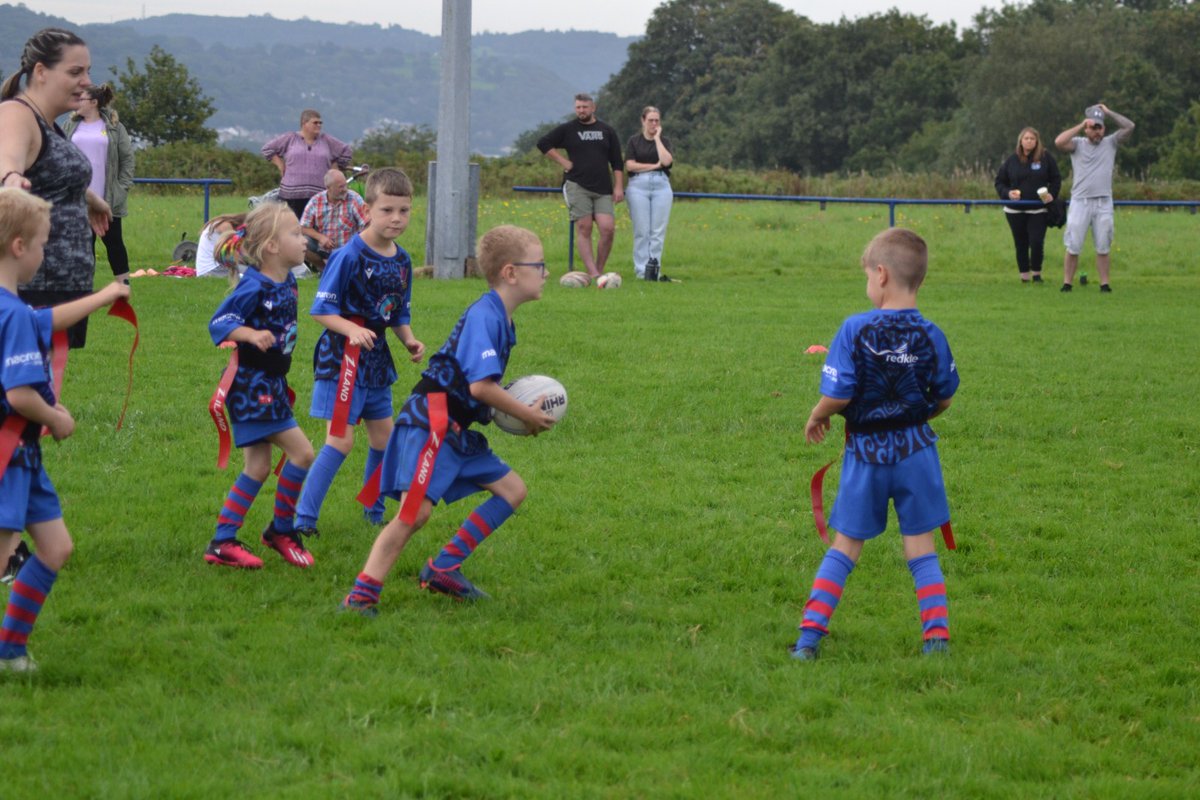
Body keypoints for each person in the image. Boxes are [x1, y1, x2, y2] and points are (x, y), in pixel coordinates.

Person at [341, 224, 557, 614]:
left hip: (456, 429)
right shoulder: (485, 316)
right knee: (415, 513)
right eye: (539, 265)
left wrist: (516, 412)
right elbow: (480, 388)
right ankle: (361, 594)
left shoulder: (503, 319)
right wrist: (526, 414)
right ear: (511, 272)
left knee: (512, 490)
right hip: (432, 422)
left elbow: (479, 388)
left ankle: (443, 568)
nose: (547, 272)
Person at [791, 228, 959, 661]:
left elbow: (840, 392)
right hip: (917, 452)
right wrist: (917, 418)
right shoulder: (932, 334)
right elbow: (944, 396)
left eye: (867, 276)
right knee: (921, 548)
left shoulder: (854, 329)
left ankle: (809, 638)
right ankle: (936, 640)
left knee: (845, 546)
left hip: (866, 455)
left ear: (881, 275)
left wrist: (819, 413)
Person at [0, 187, 130, 672]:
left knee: (56, 548)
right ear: (19, 247)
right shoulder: (10, 312)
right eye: (42, 245)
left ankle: (10, 651)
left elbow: (44, 321)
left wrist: (104, 296)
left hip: (24, 458)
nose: (43, 254)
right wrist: (58, 418)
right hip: (8, 453)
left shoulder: (12, 307)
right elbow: (19, 395)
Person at [294, 168, 425, 535]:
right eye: (387, 210)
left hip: (377, 362)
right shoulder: (348, 255)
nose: (396, 218)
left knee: (385, 439)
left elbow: (397, 311)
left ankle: (373, 511)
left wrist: (409, 339)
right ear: (366, 209)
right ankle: (304, 519)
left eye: (404, 210)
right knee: (340, 440)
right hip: (342, 361)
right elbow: (321, 310)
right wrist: (352, 329)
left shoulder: (403, 261)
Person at [203, 202, 316, 569]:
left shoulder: (288, 279)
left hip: (271, 384)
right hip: (254, 387)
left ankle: (223, 541)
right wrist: (250, 333)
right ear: (271, 246)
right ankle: (281, 530)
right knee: (302, 453)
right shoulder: (254, 284)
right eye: (296, 234)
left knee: (258, 468)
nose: (303, 239)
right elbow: (220, 323)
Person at [0, 27, 114, 349]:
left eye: (88, 71)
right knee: (27, 392)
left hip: (60, 285)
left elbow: (48, 176)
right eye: (75, 72)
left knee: (44, 389)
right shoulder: (16, 115)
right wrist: (10, 179)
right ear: (41, 72)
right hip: (34, 287)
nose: (87, 81)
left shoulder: (49, 124)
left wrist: (88, 198)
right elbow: (8, 160)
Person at [537, 93, 624, 279]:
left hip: (603, 188)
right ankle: (592, 274)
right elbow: (543, 143)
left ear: (593, 108)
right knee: (584, 227)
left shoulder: (606, 130)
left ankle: (599, 270)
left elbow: (617, 161)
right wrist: (563, 161)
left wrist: (618, 187)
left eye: (585, 107)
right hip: (577, 185)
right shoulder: (568, 129)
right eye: (578, 107)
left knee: (607, 229)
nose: (581, 111)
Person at [1054, 104, 1135, 293]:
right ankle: (1067, 283)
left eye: (1100, 127)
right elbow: (1059, 142)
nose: (1097, 132)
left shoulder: (1111, 142)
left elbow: (1129, 126)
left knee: (1103, 245)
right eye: (1093, 128)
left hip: (1103, 202)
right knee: (1073, 244)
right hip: (1080, 202)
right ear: (1087, 129)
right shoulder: (1077, 143)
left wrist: (1107, 113)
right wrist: (1081, 125)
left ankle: (1104, 284)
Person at [63, 83, 134, 284]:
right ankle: (85, 287)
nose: (77, 102)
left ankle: (123, 287)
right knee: (84, 245)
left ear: (94, 102)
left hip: (107, 198)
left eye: (81, 98)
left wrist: (121, 189)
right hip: (78, 198)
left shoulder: (114, 127)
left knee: (114, 243)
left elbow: (127, 160)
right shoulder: (70, 125)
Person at [994, 127, 1061, 284]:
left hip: (1038, 209)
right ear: (1021, 141)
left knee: (1036, 241)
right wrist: (1008, 193)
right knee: (1020, 242)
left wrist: (1052, 194)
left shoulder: (1046, 158)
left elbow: (1056, 178)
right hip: (1014, 211)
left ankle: (1036, 274)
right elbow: (999, 182)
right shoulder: (1012, 160)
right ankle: (1024, 276)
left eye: (1032, 138)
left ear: (1037, 141)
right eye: (1026, 138)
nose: (1029, 141)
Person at [261, 110, 353, 220]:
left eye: (320, 123)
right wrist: (280, 164)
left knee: (314, 228)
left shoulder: (326, 140)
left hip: (319, 194)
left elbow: (346, 151)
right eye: (315, 122)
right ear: (304, 123)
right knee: (293, 226)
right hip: (292, 195)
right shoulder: (290, 138)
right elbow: (267, 149)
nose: (319, 125)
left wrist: (335, 165)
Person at [625, 106, 675, 282]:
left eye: (657, 121)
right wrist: (653, 166)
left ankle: (654, 270)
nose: (654, 124)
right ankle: (641, 271)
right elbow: (630, 165)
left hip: (661, 185)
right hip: (638, 185)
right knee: (642, 230)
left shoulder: (664, 141)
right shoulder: (634, 141)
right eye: (650, 120)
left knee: (657, 231)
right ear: (643, 121)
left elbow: (667, 161)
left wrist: (657, 139)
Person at [299, 168, 367, 271]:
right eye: (340, 187)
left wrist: (356, 244)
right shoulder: (315, 201)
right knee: (300, 243)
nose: (345, 189)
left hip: (349, 250)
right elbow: (303, 227)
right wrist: (321, 237)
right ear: (328, 188)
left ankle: (344, 267)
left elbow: (367, 224)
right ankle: (325, 269)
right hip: (324, 249)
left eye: (345, 185)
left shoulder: (354, 199)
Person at [195, 212, 247, 278]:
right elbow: (236, 254)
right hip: (213, 269)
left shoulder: (220, 223)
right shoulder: (225, 226)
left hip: (206, 270)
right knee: (255, 273)